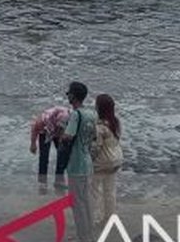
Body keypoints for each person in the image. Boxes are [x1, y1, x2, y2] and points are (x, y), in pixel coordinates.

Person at [61, 81, 98, 242]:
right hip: (88, 162)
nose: (67, 96)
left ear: (73, 96)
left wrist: (60, 132)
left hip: (76, 164)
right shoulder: (92, 114)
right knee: (86, 201)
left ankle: (83, 237)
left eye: (69, 93)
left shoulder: (76, 115)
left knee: (77, 203)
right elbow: (94, 137)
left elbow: (68, 136)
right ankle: (89, 234)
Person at [90, 94, 123, 226]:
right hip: (116, 159)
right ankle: (110, 218)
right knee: (110, 191)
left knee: (94, 191)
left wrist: (89, 159)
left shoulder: (99, 127)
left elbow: (96, 147)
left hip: (103, 162)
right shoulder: (116, 122)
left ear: (100, 108)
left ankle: (93, 218)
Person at [29, 105, 71, 186]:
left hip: (59, 123)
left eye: (61, 128)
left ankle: (59, 180)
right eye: (59, 128)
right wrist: (33, 144)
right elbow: (35, 128)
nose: (59, 130)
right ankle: (42, 182)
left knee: (62, 156)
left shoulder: (69, 116)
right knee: (44, 158)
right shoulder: (44, 120)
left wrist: (62, 134)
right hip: (45, 130)